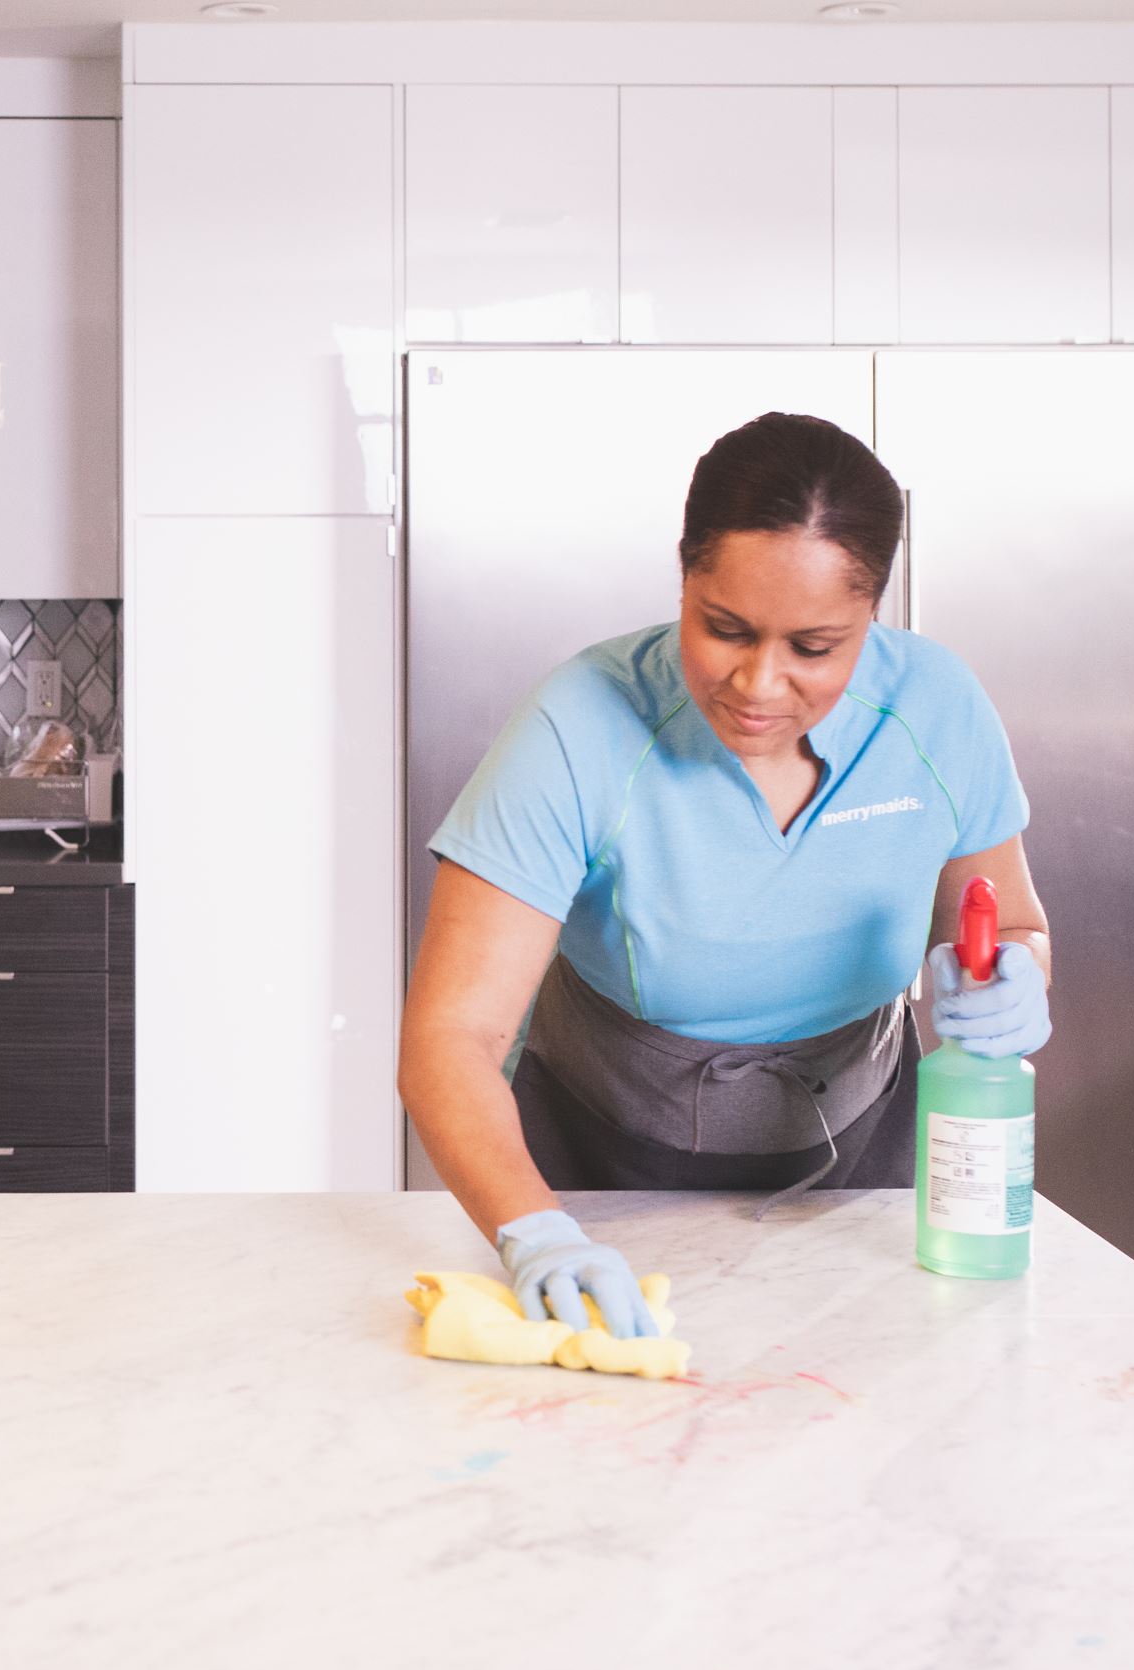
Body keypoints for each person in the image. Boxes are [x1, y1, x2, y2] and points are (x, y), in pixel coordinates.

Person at [399, 413, 1053, 1340]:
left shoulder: (938, 708)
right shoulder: (580, 723)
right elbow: (451, 1035)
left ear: (874, 614)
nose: (758, 683)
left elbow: (1012, 923)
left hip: (869, 1164)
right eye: (725, 629)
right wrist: (536, 1231)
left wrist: (1021, 971)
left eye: (814, 648)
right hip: (598, 1174)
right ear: (684, 576)